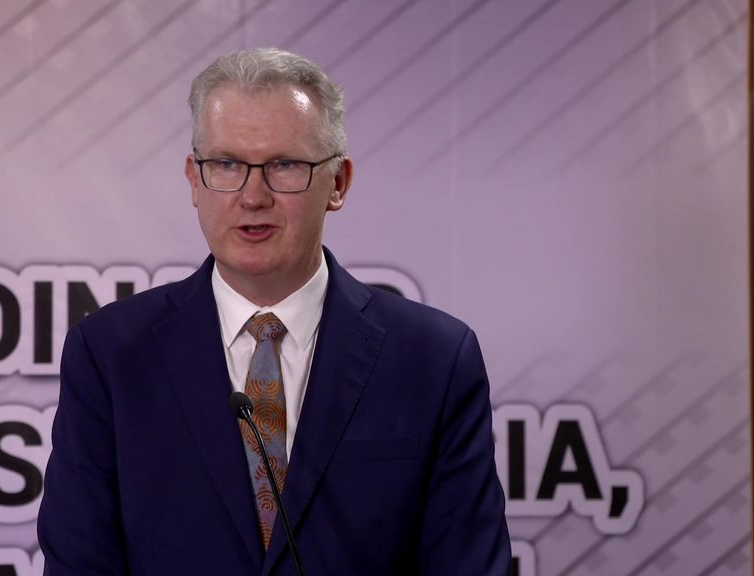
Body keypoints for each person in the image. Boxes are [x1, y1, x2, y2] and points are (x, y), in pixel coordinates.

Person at [38, 47, 510, 575]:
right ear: (194, 180)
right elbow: (80, 564)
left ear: (338, 183)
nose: (252, 195)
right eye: (226, 165)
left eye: (284, 165)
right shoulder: (111, 355)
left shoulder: (433, 360)